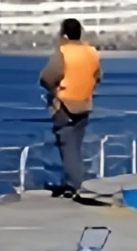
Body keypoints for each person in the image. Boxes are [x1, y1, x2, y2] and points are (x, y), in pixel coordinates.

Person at [38, 18, 101, 199]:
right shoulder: (92, 52)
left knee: (67, 146)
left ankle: (75, 185)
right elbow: (98, 75)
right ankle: (75, 181)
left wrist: (53, 90)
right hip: (85, 103)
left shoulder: (63, 53)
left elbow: (47, 77)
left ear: (64, 34)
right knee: (76, 145)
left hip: (64, 104)